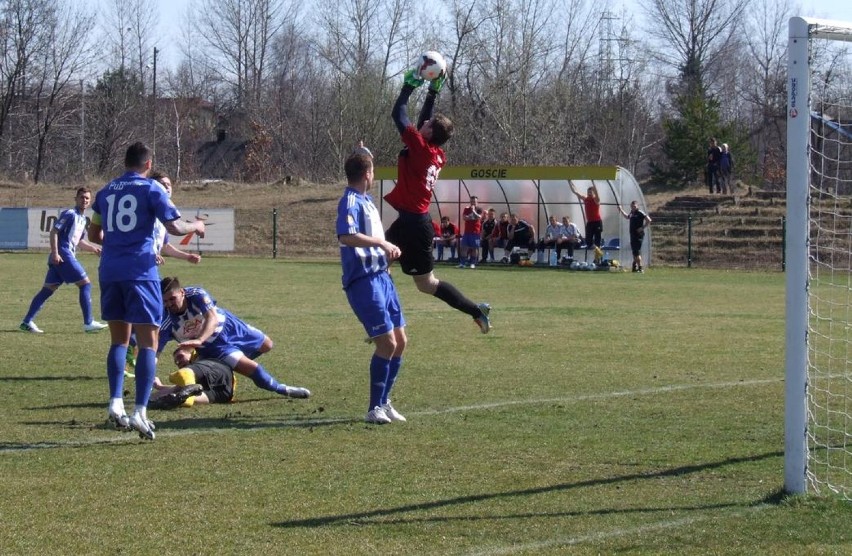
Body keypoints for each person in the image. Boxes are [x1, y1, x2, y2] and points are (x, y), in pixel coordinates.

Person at [88, 141, 206, 440]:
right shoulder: (151, 190)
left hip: (110, 271)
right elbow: (176, 227)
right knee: (148, 343)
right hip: (140, 273)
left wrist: (117, 244)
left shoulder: (105, 192)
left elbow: (94, 234)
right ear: (148, 165)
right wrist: (197, 226)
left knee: (119, 341)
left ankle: (115, 402)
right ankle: (140, 410)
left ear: (125, 162)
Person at [385, 66, 491, 333]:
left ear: (429, 134)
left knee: (425, 283)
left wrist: (408, 86)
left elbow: (398, 113)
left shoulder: (421, 148)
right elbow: (424, 120)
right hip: (410, 221)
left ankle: (475, 310)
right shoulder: (434, 152)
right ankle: (382, 325)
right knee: (380, 259)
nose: (425, 123)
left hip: (415, 226)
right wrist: (432, 91)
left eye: (429, 125)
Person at [337, 148, 408, 424]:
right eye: (373, 170)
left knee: (400, 341)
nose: (374, 174)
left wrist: (386, 254)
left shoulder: (366, 200)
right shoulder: (349, 201)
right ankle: (373, 408)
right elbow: (346, 235)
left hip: (383, 278)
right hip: (364, 281)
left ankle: (385, 401)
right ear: (367, 174)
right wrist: (382, 243)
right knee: (387, 343)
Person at [158, 276, 311, 401]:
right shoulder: (166, 321)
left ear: (182, 292)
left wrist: (199, 339)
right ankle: (283, 389)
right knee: (252, 368)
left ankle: (229, 365)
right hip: (215, 347)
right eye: (165, 301)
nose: (169, 304)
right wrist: (148, 371)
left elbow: (212, 318)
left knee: (267, 345)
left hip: (230, 326)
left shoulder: (196, 294)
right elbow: (155, 350)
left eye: (172, 299)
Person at [20, 187, 108, 334]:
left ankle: (26, 321)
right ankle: (88, 323)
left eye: (87, 198)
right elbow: (54, 231)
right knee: (85, 284)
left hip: (64, 256)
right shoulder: (70, 214)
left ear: (90, 201)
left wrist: (95, 249)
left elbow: (79, 241)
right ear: (76, 199)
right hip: (63, 255)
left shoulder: (82, 219)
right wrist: (55, 253)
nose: (84, 200)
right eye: (81, 197)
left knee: (47, 290)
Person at [149, 170, 202, 266]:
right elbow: (175, 227)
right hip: (140, 265)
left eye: (168, 184)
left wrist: (187, 257)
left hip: (150, 266)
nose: (166, 187)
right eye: (162, 184)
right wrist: (197, 225)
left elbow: (165, 246)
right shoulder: (148, 211)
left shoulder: (163, 215)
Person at [149, 353, 235, 410]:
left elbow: (183, 384)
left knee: (183, 374)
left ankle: (183, 401)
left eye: (180, 356)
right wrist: (159, 387)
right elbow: (181, 389)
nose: (178, 362)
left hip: (214, 367)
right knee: (194, 395)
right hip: (226, 392)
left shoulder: (200, 357)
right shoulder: (192, 381)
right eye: (176, 362)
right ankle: (177, 400)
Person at [618, 200, 652, 273]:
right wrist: (621, 210)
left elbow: (649, 220)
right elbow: (627, 217)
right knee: (634, 252)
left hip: (638, 235)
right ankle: (634, 266)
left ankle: (640, 268)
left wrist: (642, 228)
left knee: (637, 251)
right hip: (632, 234)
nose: (633, 207)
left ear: (637, 206)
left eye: (634, 206)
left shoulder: (640, 212)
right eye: (632, 206)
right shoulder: (632, 212)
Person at [570, 183, 602, 249]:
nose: (589, 193)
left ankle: (597, 257)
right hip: (590, 222)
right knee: (588, 241)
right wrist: (569, 181)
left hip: (597, 222)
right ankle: (597, 250)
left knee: (597, 241)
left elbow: (597, 193)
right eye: (588, 192)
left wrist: (593, 184)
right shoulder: (586, 199)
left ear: (593, 193)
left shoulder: (596, 200)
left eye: (590, 192)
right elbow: (575, 191)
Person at [459, 196, 483, 268]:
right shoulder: (466, 209)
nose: (473, 203)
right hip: (467, 232)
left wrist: (473, 212)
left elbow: (479, 217)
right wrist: (471, 217)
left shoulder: (479, 209)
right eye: (472, 201)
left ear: (477, 202)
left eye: (475, 201)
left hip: (475, 232)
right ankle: (463, 263)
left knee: (475, 248)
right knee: (464, 247)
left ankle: (473, 263)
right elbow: (464, 218)